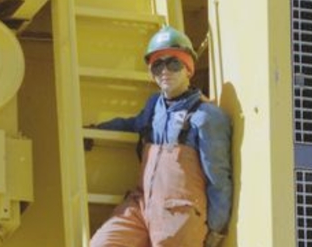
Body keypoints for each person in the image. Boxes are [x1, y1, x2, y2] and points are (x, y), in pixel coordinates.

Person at [90, 25, 232, 247]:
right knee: (102, 243)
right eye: (157, 65)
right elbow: (133, 124)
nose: (164, 71)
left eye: (173, 63)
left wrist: (216, 230)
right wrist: (95, 130)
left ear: (188, 68)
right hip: (144, 205)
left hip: (180, 216)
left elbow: (219, 180)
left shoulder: (206, 117)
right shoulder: (154, 105)